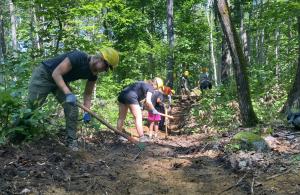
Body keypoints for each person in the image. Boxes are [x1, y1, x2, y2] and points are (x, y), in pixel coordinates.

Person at [27, 47, 119, 151]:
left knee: (72, 108)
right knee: (32, 107)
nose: (105, 70)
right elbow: (56, 73)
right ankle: (17, 137)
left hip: (60, 81)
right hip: (45, 74)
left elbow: (88, 95)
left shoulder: (93, 75)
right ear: (101, 59)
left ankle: (71, 141)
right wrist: (68, 93)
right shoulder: (78, 57)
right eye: (106, 67)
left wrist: (86, 112)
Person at [117, 77, 164, 142]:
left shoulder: (142, 83)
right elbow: (148, 101)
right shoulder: (150, 88)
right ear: (155, 85)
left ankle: (119, 136)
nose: (156, 89)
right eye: (157, 88)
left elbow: (140, 97)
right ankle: (142, 137)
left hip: (122, 94)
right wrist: (153, 110)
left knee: (121, 117)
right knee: (138, 117)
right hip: (131, 96)